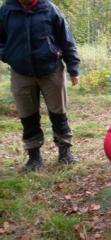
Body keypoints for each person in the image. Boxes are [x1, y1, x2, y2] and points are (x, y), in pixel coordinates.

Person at [0, 0, 80, 171]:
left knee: (59, 114)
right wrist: (7, 54)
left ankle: (64, 153)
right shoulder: (6, 10)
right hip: (20, 72)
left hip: (51, 70)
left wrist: (73, 67)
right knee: (27, 116)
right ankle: (34, 158)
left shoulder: (49, 9)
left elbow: (66, 39)